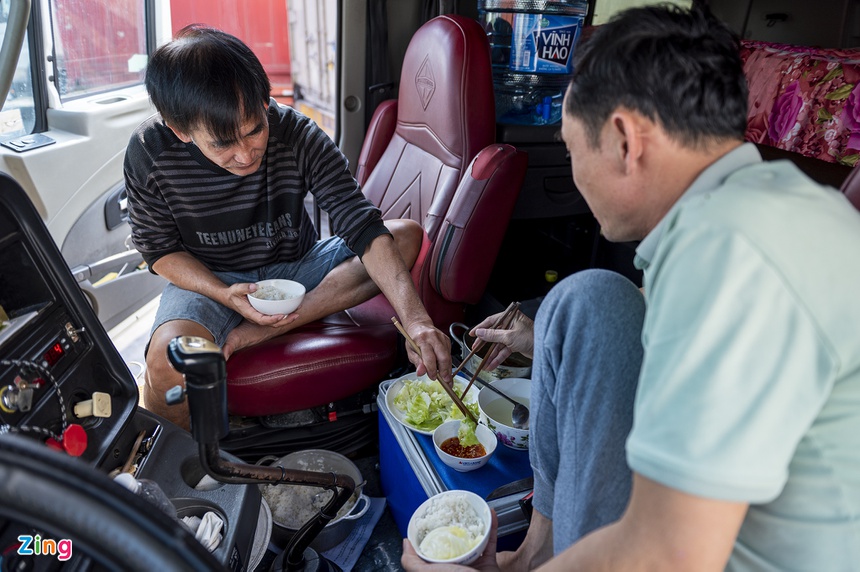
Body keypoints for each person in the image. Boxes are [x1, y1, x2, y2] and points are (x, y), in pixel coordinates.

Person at [403, 4, 860, 571]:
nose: (573, 171)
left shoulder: (732, 259)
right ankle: (536, 551)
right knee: (583, 302)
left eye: (572, 150)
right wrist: (542, 338)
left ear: (624, 139)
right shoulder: (760, 209)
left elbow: (665, 554)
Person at [124, 25, 451, 430]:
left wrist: (417, 321)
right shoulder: (149, 152)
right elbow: (158, 252)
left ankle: (259, 330)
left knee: (404, 236)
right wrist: (223, 292)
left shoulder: (298, 133)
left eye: (254, 130)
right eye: (223, 144)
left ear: (266, 103)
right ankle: (181, 466)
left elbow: (362, 225)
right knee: (168, 363)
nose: (246, 155)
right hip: (211, 281)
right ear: (181, 131)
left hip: (296, 271)